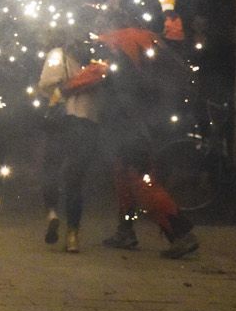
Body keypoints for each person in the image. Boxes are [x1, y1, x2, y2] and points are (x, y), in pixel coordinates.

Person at [92, 23, 200, 258]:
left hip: (131, 132)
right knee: (124, 180)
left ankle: (180, 233)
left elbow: (123, 103)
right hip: (137, 130)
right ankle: (125, 231)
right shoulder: (143, 65)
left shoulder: (123, 68)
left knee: (143, 183)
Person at [37, 34, 104, 252]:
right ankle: (73, 236)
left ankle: (52, 214)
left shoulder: (58, 55)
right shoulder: (99, 59)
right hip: (89, 122)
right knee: (75, 181)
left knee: (50, 169)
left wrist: (57, 91)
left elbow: (46, 84)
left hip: (63, 120)